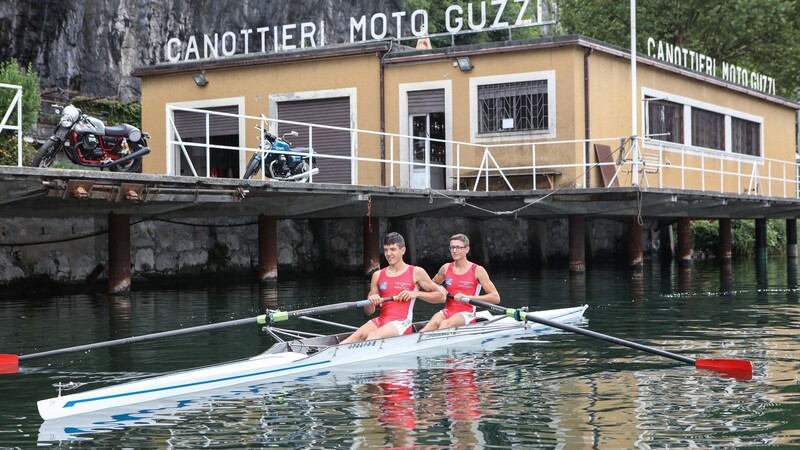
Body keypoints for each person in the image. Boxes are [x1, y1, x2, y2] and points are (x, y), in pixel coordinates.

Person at [341, 232, 445, 344]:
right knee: (355, 337)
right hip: (382, 320)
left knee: (373, 336)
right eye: (385, 250)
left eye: (392, 249)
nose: (388, 254)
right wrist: (371, 301)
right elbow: (368, 312)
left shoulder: (416, 272)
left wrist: (416, 294)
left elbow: (441, 297)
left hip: (401, 322)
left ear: (403, 250)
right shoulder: (378, 275)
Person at [419, 234, 500, 332]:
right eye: (452, 247)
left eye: (458, 247)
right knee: (431, 324)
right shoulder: (445, 268)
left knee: (445, 324)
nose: (454, 251)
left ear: (467, 249)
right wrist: (440, 288)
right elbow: (430, 285)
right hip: (448, 310)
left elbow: (496, 297)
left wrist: (467, 297)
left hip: (467, 312)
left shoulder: (478, 270)